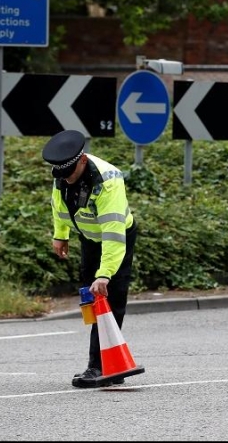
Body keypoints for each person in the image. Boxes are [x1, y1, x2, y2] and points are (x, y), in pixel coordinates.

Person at [41, 129, 138, 388]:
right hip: (89, 237)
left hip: (116, 238)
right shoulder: (63, 173)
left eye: (69, 175)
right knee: (91, 299)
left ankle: (99, 366)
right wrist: (60, 235)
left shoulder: (108, 181)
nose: (66, 181)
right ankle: (107, 362)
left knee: (110, 297)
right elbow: (58, 204)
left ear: (82, 160)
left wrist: (105, 273)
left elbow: (114, 234)